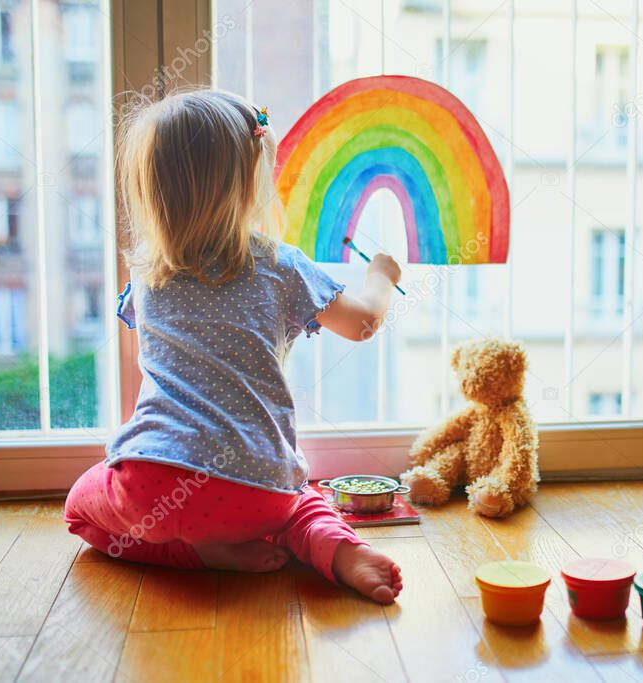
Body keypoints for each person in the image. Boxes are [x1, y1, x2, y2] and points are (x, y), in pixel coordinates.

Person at [64, 89, 404, 604]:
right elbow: (361, 325)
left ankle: (197, 554)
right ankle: (335, 548)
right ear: (249, 186)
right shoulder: (280, 264)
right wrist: (380, 274)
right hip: (257, 494)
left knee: (78, 511)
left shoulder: (148, 276)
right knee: (299, 501)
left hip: (150, 486)